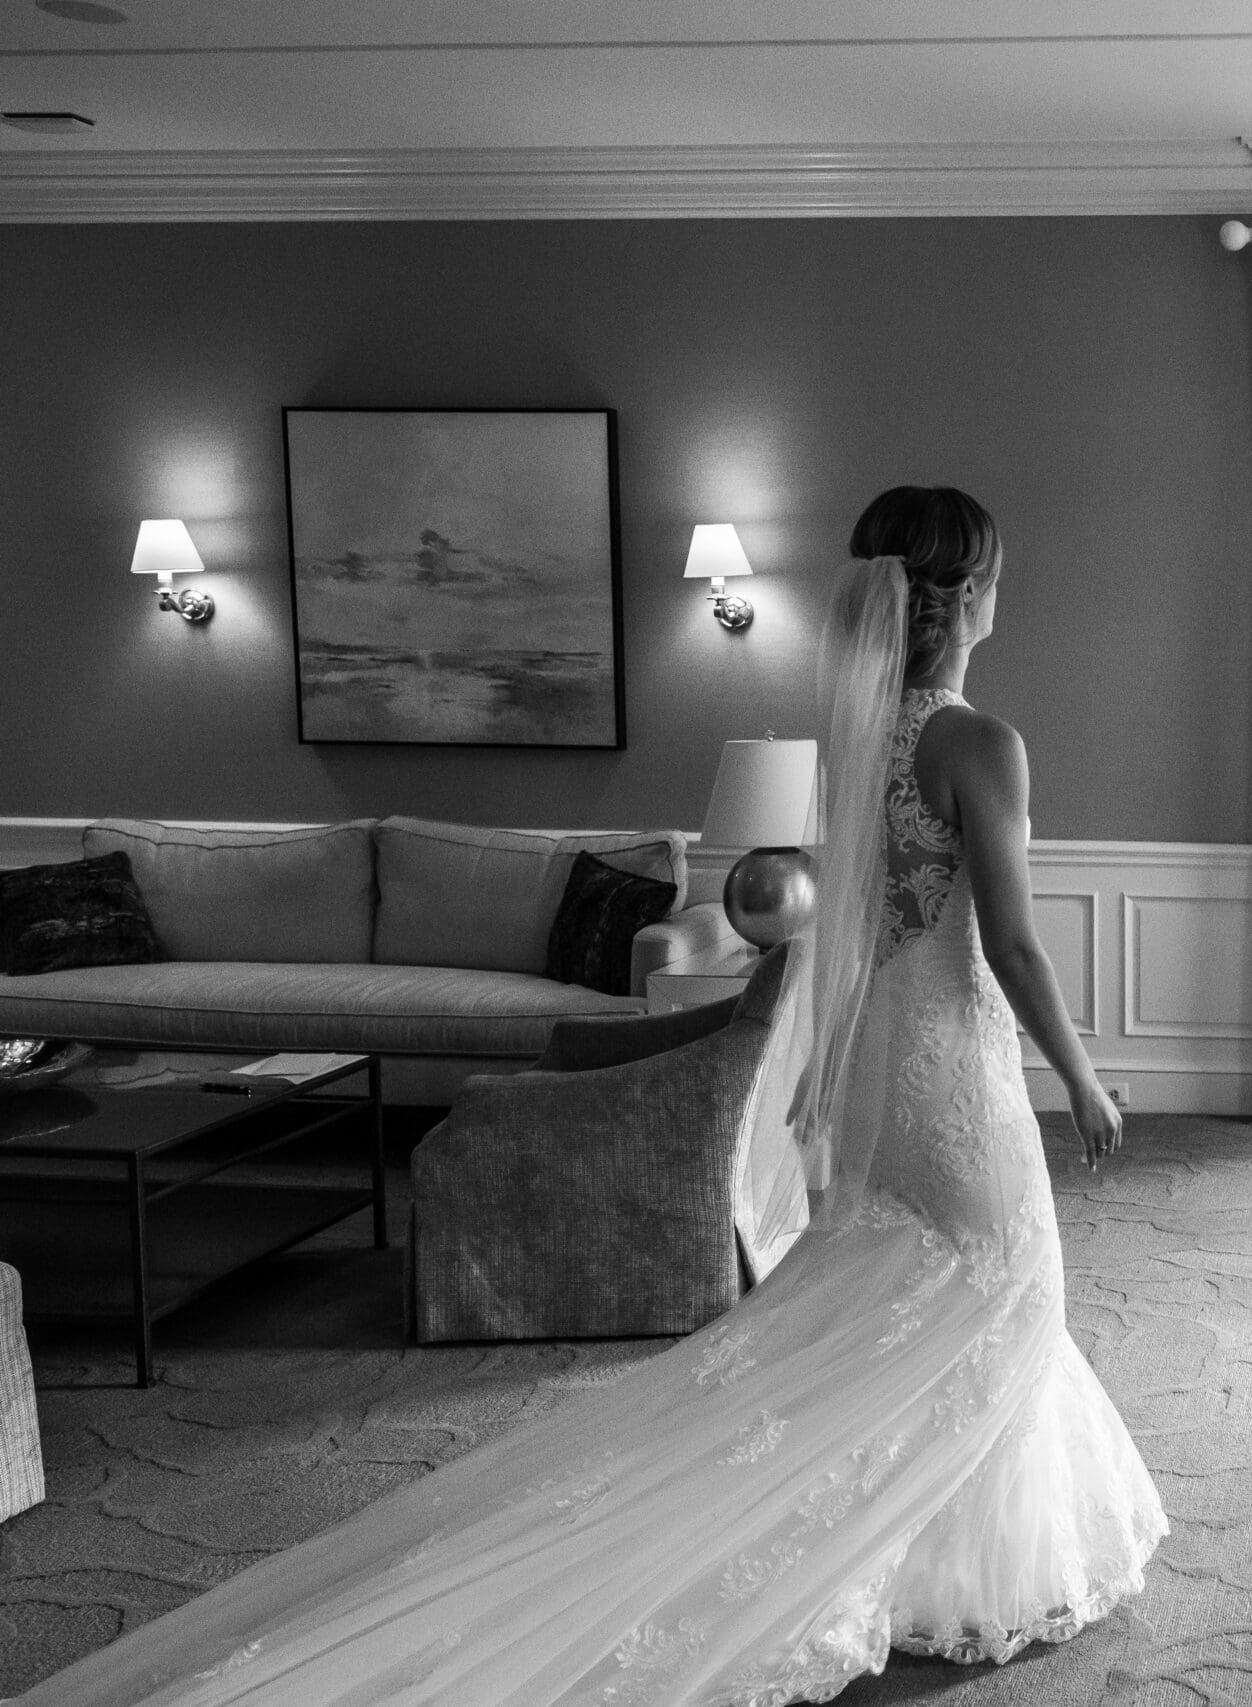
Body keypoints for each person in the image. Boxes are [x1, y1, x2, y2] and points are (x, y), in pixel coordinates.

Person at [22, 486, 1167, 1704]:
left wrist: (831, 1072)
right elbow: (1016, 947)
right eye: (995, 572)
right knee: (996, 1282)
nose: (1001, 591)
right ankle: (905, 1552)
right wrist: (1086, 1081)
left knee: (914, 1288)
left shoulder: (869, 733)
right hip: (956, 1065)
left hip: (894, 1051)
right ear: (967, 595)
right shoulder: (979, 743)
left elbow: (857, 931)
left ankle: (942, 1550)